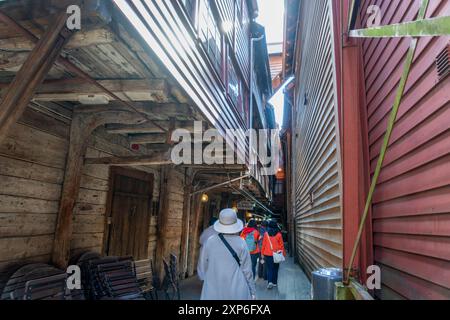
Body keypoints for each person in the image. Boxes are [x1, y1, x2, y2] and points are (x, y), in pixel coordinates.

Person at [197, 209, 257, 300]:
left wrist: (206, 278)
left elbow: (202, 265)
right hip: (237, 287)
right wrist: (252, 290)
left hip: (213, 287)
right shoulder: (241, 243)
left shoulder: (210, 241)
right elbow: (247, 270)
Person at [261, 220, 286, 289]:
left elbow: (264, 244)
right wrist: (283, 254)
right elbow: (281, 245)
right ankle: (274, 282)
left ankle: (270, 282)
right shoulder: (279, 234)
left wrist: (262, 253)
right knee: (275, 268)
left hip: (267, 254)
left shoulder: (266, 234)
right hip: (276, 254)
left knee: (269, 268)